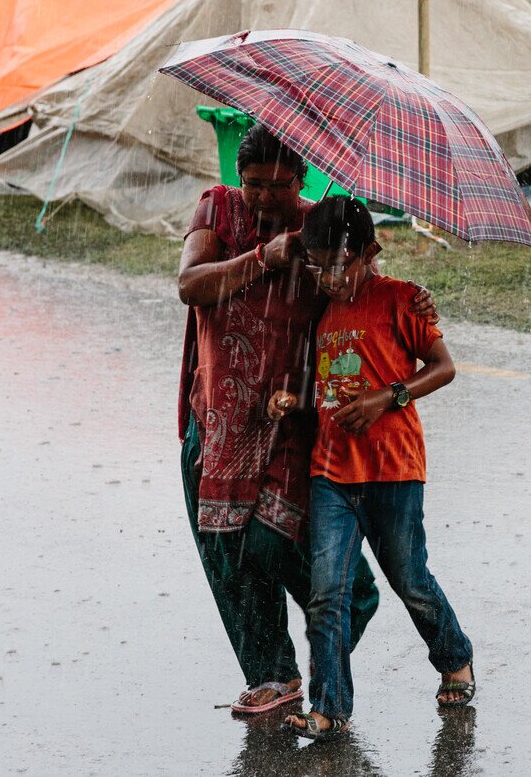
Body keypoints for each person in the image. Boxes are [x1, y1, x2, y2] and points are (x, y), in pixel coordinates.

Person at [177, 125, 430, 716]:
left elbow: (363, 287)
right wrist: (262, 257)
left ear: (302, 180)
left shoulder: (323, 225)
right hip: (219, 416)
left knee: (274, 541)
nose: (264, 197)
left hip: (296, 416)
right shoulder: (218, 209)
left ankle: (346, 612)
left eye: (279, 185)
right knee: (226, 550)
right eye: (254, 183)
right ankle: (273, 673)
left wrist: (413, 300)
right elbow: (191, 286)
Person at [277, 196, 474, 741]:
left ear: (370, 253)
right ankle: (329, 708)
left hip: (394, 471)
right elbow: (326, 384)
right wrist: (293, 401)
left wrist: (387, 397)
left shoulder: (402, 299)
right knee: (327, 594)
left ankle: (454, 657)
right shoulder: (323, 310)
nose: (327, 279)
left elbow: (444, 367)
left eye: (336, 266)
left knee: (411, 581)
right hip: (331, 475)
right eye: (317, 267)